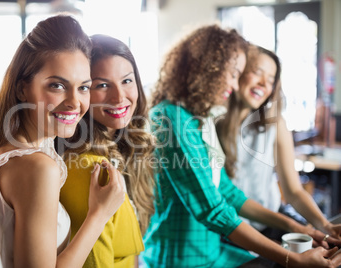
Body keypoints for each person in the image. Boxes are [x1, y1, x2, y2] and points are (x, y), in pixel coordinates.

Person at [140, 24, 341, 267]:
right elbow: (212, 210)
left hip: (212, 251)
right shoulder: (170, 119)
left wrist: (301, 228)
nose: (234, 85)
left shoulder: (198, 120)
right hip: (183, 259)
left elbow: (227, 192)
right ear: (209, 67)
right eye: (234, 73)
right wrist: (293, 259)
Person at [0, 15, 125, 268]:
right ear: (22, 89)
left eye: (83, 87)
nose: (75, 101)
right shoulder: (38, 168)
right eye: (57, 86)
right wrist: (99, 215)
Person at [216, 45, 341, 241]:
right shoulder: (211, 124)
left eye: (271, 80)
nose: (264, 84)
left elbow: (293, 191)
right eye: (257, 73)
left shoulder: (275, 124)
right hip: (227, 229)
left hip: (271, 221)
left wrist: (324, 225)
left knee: (319, 247)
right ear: (237, 72)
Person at [60, 34, 155, 267]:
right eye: (102, 85)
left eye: (127, 81)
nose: (119, 97)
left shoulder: (119, 152)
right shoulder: (91, 169)